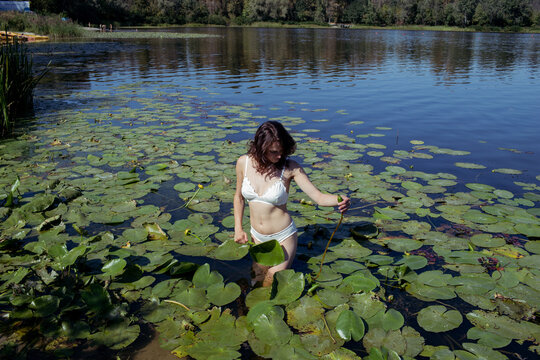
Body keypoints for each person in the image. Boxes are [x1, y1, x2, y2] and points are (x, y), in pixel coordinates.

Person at [234, 121, 351, 286]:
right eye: (274, 152)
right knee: (257, 279)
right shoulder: (243, 163)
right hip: (257, 238)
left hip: (283, 236)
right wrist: (238, 228)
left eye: (282, 151)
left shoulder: (290, 168)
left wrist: (340, 199)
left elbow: (318, 197)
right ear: (261, 148)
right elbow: (238, 197)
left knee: (272, 279)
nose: (280, 156)